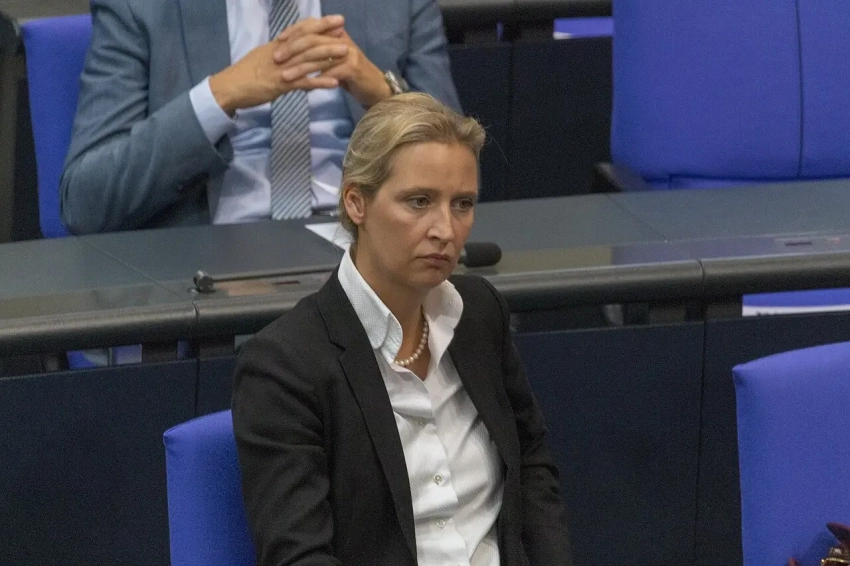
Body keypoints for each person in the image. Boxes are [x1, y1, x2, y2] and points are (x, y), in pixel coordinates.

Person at [232, 93, 572, 566]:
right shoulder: (285, 364)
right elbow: (300, 555)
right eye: (419, 202)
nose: (445, 230)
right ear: (357, 203)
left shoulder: (479, 314)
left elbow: (531, 461)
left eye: (462, 204)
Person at [60, 0, 460, 235]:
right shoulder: (142, 7)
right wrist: (219, 97)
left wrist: (384, 97)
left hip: (366, 248)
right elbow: (86, 201)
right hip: (215, 262)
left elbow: (460, 170)